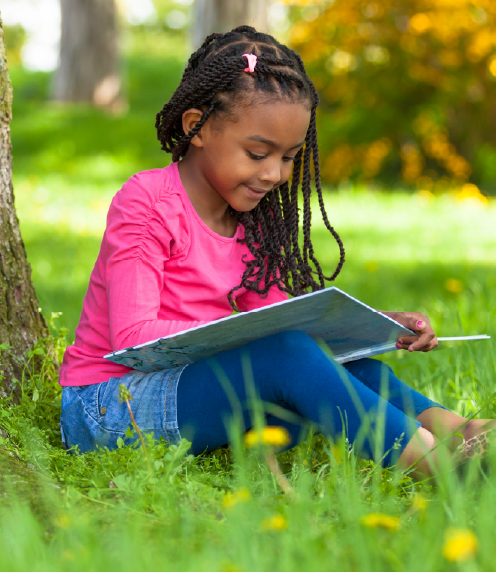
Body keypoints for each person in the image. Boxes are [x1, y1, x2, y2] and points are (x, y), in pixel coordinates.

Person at [59, 26, 493, 478]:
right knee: (287, 351)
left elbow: (279, 323)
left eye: (288, 158)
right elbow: (133, 337)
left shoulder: (256, 221)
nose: (274, 174)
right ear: (197, 127)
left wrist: (378, 326)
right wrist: (257, 338)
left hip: (199, 395)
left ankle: (460, 430)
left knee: (332, 357)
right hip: (108, 406)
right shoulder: (147, 202)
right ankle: (434, 465)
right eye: (257, 153)